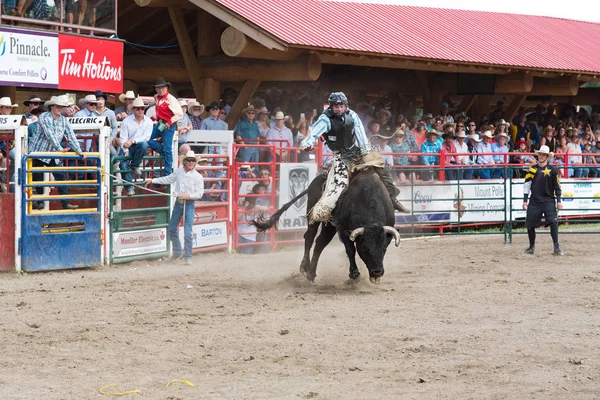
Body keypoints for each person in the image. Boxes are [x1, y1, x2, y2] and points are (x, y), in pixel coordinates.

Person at [301, 92, 409, 221]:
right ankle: (333, 215)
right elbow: (313, 133)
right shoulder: (325, 119)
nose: (339, 109)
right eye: (336, 106)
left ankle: (393, 199)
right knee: (339, 185)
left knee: (381, 167)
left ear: (345, 105)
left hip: (356, 151)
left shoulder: (352, 115)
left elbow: (361, 136)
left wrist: (366, 153)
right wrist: (307, 144)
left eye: (341, 105)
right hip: (340, 156)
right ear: (331, 106)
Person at [144, 150, 204, 265]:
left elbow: (200, 193)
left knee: (188, 232)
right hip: (179, 203)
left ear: (195, 162)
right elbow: (168, 179)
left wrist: (189, 195)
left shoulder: (198, 177)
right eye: (189, 160)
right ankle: (177, 252)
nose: (191, 162)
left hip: (189, 204)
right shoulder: (179, 172)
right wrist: (153, 180)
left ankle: (188, 256)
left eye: (192, 160)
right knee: (172, 229)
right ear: (185, 162)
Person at [28, 95, 85, 210]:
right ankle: (39, 201)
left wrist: (79, 150)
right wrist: (59, 148)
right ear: (52, 106)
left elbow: (70, 135)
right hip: (37, 151)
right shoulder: (44, 117)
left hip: (51, 152)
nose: (60, 108)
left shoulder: (64, 120)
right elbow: (50, 134)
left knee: (61, 176)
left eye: (62, 107)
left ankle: (65, 203)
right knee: (37, 177)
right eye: (58, 106)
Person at [523, 145, 564, 256]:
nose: (541, 156)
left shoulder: (553, 170)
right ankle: (531, 247)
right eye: (540, 154)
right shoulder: (532, 169)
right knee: (530, 224)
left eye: (543, 155)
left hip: (549, 200)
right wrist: (525, 200)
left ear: (547, 157)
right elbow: (526, 185)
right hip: (535, 200)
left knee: (553, 222)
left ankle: (556, 247)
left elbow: (557, 187)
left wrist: (559, 201)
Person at [147, 77, 183, 176]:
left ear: (166, 88)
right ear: (156, 89)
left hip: (168, 125)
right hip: (161, 124)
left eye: (162, 88)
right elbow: (158, 114)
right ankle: (163, 153)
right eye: (158, 88)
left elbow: (179, 114)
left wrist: (169, 122)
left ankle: (167, 173)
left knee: (167, 149)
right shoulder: (159, 99)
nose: (160, 90)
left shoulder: (171, 99)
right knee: (146, 138)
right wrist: (149, 119)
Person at [120, 97, 152, 196]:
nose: (140, 110)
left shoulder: (149, 121)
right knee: (122, 164)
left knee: (144, 145)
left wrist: (132, 141)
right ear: (133, 109)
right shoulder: (126, 121)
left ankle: (135, 165)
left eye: (142, 108)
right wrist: (125, 148)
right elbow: (123, 138)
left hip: (137, 145)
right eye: (138, 108)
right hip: (129, 146)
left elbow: (146, 138)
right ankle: (130, 187)